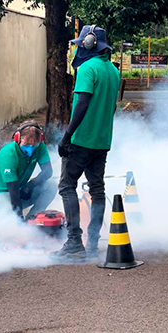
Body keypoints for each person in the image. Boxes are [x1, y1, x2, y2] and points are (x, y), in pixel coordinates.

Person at [53, 25, 121, 260]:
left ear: (89, 44)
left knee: (66, 186)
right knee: (97, 189)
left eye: (80, 44)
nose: (77, 49)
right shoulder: (113, 71)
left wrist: (67, 136)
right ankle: (92, 242)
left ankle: (74, 242)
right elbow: (111, 108)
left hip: (81, 140)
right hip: (102, 141)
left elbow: (82, 104)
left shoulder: (87, 68)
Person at [0, 123, 56, 219]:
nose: (30, 150)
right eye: (26, 144)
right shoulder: (8, 154)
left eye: (34, 145)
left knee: (51, 185)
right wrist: (19, 219)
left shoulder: (40, 146)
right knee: (11, 218)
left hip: (21, 189)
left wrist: (31, 185)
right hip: (1, 194)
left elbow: (48, 171)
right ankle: (18, 221)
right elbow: (13, 190)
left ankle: (32, 219)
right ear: (17, 139)